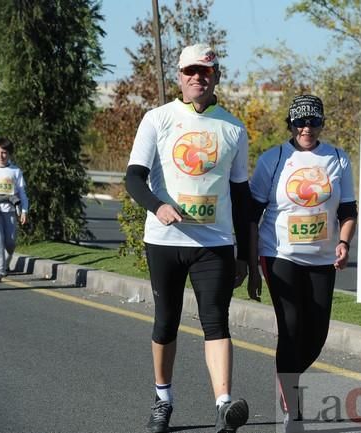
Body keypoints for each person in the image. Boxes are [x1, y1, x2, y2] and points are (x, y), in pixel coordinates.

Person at [125, 43, 251, 433]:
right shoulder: (158, 119)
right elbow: (133, 177)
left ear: (216, 76)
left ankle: (224, 406)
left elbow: (242, 196)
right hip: (164, 241)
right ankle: (163, 400)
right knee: (166, 322)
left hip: (213, 245)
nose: (198, 77)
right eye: (190, 71)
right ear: (179, 76)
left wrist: (245, 254)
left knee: (217, 322)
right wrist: (157, 206)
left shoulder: (233, 128)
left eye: (206, 71)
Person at [247, 95, 358, 432]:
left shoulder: (338, 158)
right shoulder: (273, 159)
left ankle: (287, 374)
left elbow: (348, 211)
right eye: (299, 122)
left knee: (317, 334)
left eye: (312, 122)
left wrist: (343, 242)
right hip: (279, 253)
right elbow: (252, 215)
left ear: (322, 123)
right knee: (291, 327)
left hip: (323, 257)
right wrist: (252, 263)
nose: (306, 128)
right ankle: (292, 409)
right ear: (290, 125)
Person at [0, 137, 29, 282]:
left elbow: (22, 193)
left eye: (4, 152)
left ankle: (4, 265)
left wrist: (24, 210)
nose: (1, 156)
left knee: (10, 243)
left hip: (10, 211)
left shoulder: (15, 171)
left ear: (10, 154)